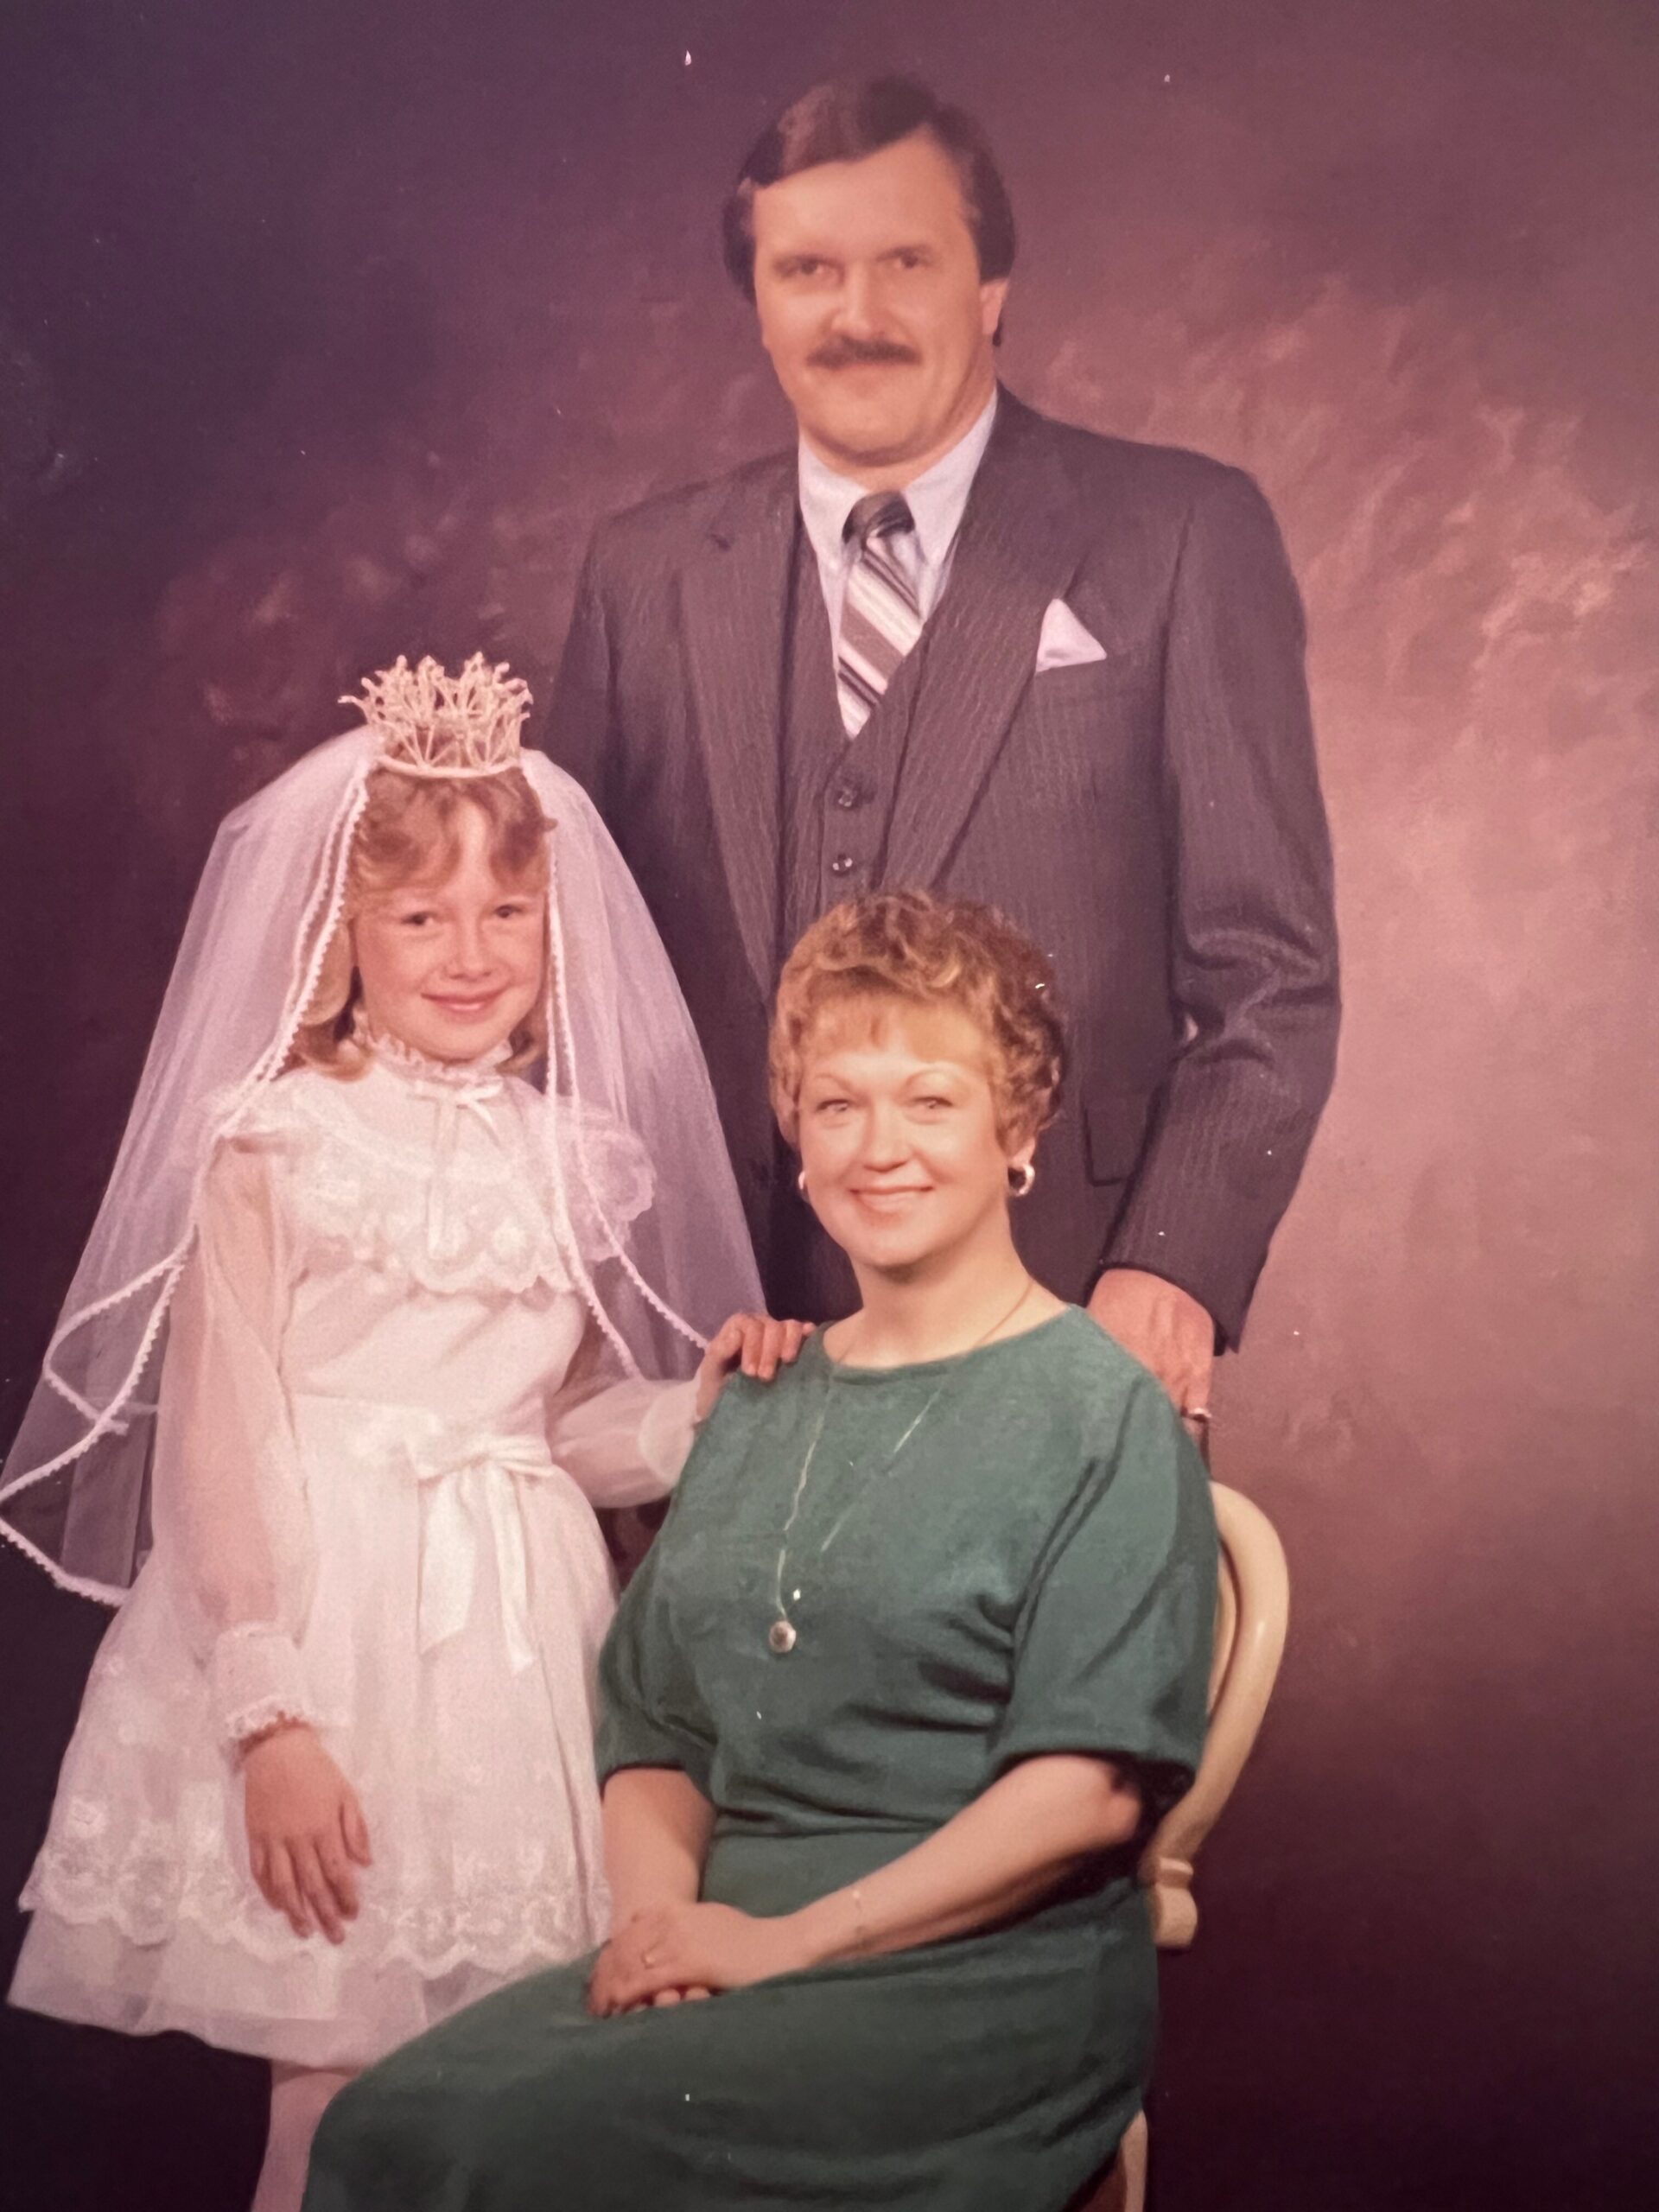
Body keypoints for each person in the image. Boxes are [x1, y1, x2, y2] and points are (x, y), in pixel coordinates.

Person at [0, 656, 791, 2212]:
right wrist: (269, 1717)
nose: (469, 952)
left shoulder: (579, 1159)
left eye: (507, 911)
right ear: (341, 932)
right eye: (421, 916)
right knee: (336, 2091)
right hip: (330, 1639)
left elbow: (557, 1430)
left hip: (521, 1650)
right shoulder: (278, 1142)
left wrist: (695, 1417)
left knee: (507, 2094)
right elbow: (220, 1443)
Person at [304, 889, 1217, 2212]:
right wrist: (658, 1931)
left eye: (931, 1101)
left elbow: (1089, 1796)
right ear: (798, 1134)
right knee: (383, 2128)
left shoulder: (1101, 1413)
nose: (879, 1147)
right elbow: (656, 1729)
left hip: (976, 1980)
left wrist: (779, 1947)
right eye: (838, 1103)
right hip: (723, 1945)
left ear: (1017, 1130)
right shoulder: (762, 1396)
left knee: (510, 2155)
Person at [550, 72, 1340, 1425]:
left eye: (905, 262)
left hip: (1062, 1340)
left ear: (991, 290)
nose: (855, 314)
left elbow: (1271, 973)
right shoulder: (645, 574)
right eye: (808, 270)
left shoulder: (1179, 535)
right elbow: (559, 976)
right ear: (760, 303)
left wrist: (1171, 1268)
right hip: (705, 1365)